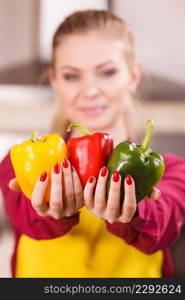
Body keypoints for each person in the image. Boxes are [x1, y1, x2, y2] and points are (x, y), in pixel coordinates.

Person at [0, 9, 185, 278]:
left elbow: (164, 224)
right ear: (54, 81)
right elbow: (24, 217)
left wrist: (133, 209)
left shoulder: (170, 171)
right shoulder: (20, 161)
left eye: (107, 72)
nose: (89, 91)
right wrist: (48, 210)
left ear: (133, 76)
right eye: (71, 76)